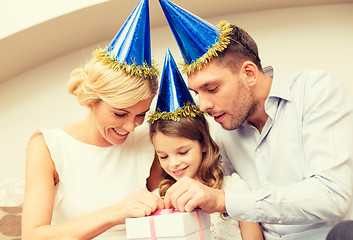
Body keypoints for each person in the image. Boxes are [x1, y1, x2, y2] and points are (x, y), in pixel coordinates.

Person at [158, 0, 353, 239]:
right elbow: (215, 183)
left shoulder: (316, 90)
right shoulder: (223, 130)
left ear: (249, 73)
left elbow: (332, 196)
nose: (203, 106)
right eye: (198, 93)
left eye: (212, 88)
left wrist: (223, 200)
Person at [21, 0, 163, 239]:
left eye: (141, 115)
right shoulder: (48, 146)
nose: (130, 126)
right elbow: (33, 235)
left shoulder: (150, 140)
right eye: (119, 113)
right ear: (90, 100)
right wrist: (114, 213)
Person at [148, 49, 264, 240]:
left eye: (183, 152)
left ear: (203, 143)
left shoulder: (233, 189)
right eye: (164, 156)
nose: (174, 163)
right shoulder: (159, 200)